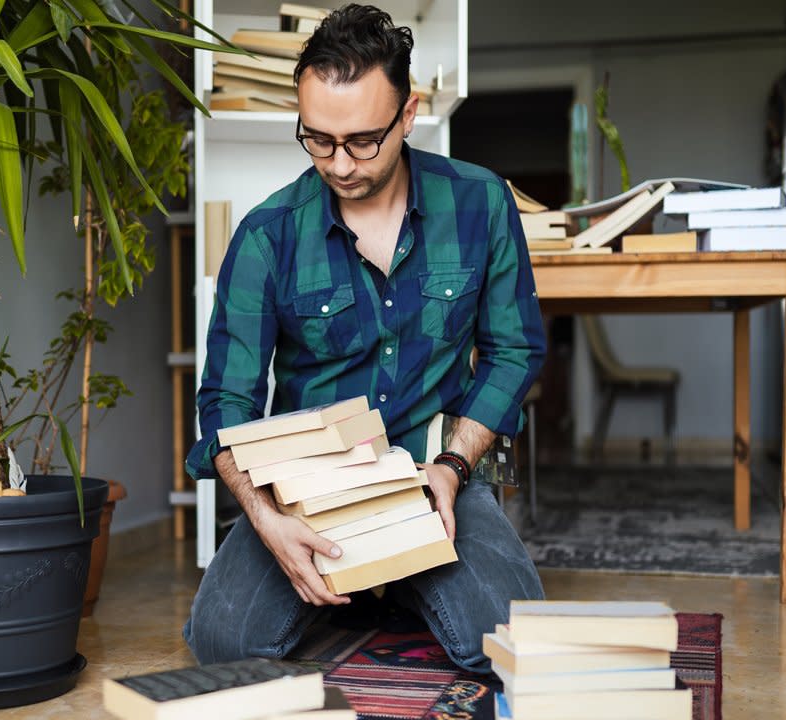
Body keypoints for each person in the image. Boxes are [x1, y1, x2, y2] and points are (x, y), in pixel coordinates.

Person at [182, 3, 545, 673]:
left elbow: (514, 349)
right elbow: (224, 401)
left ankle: (400, 579)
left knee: (506, 644)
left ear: (407, 116)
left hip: (436, 474)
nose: (340, 164)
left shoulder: (481, 203)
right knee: (224, 643)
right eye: (318, 139)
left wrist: (454, 465)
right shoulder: (268, 234)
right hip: (307, 492)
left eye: (362, 141)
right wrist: (266, 519)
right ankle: (380, 577)